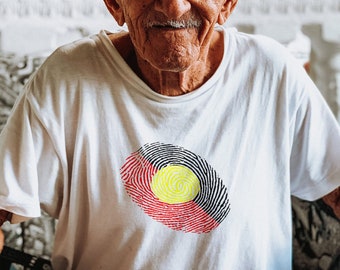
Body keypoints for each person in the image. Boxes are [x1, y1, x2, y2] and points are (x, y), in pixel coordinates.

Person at [0, 0, 339, 269]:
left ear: (227, 4)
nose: (174, 6)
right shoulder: (68, 77)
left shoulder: (271, 71)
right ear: (115, 5)